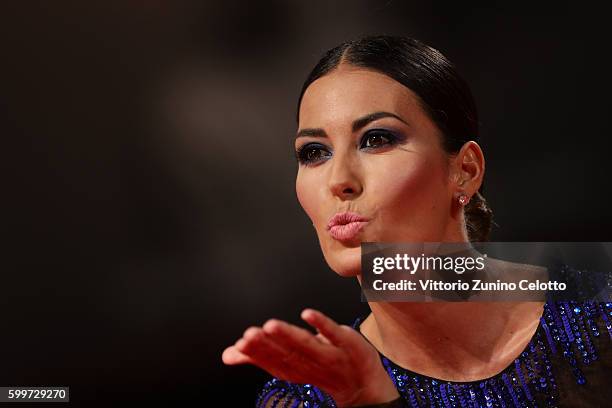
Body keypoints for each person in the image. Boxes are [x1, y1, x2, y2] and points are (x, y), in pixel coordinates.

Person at [221, 35, 611, 407]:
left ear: (466, 170)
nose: (339, 180)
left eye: (376, 139)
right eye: (314, 152)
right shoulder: (313, 397)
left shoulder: (599, 312)